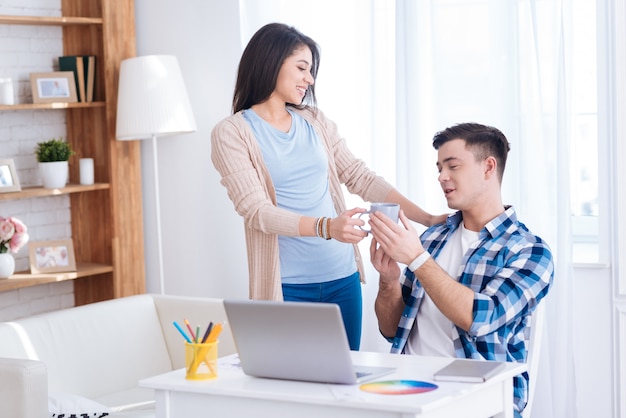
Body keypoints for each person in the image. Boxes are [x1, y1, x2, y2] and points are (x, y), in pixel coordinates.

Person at [211, 22, 441, 350]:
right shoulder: (232, 132)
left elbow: (360, 176)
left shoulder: (314, 121)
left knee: (344, 385)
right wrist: (327, 227)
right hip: (286, 286)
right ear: (271, 62)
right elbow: (256, 212)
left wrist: (427, 218)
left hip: (340, 279)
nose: (310, 79)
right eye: (302, 68)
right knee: (291, 389)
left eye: (312, 70)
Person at [368, 123, 553, 417]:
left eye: (453, 166)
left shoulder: (529, 252)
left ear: (488, 167)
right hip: (408, 392)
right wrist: (389, 281)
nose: (442, 177)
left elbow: (481, 318)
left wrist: (416, 258)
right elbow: (392, 331)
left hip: (480, 399)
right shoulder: (432, 238)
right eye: (439, 167)